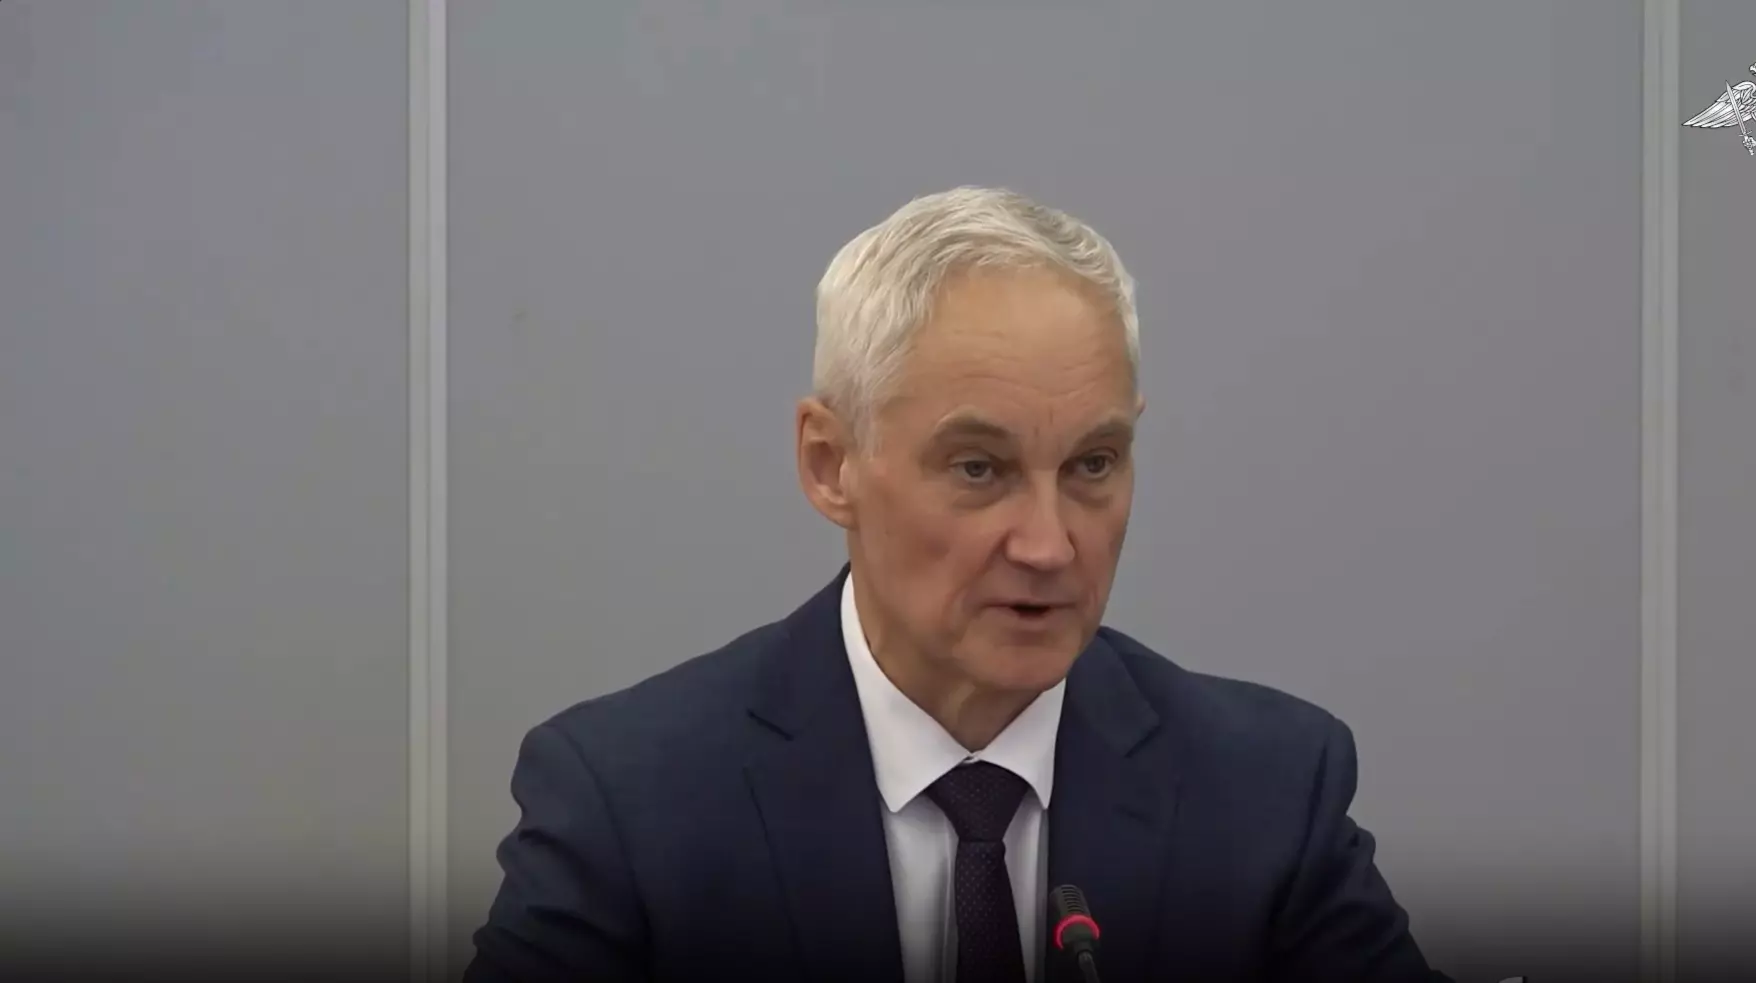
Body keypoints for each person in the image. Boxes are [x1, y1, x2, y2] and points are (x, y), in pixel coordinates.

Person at [464, 187, 1448, 983]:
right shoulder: (632, 804)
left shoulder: (1265, 791)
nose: (1050, 544)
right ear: (830, 463)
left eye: (1094, 463)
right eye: (980, 468)